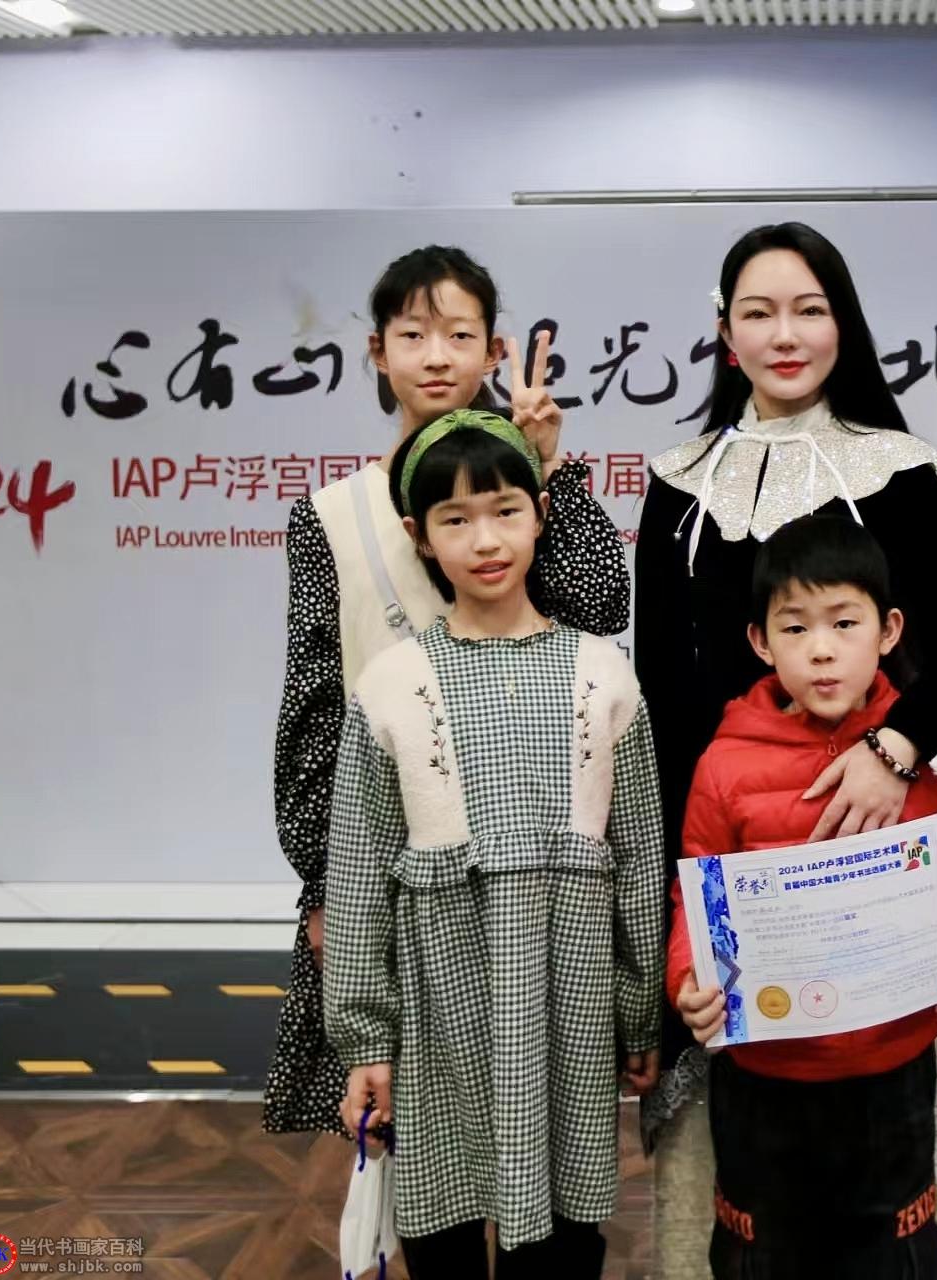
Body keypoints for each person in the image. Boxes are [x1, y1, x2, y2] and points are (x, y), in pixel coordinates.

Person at [325, 409, 663, 1279]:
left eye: (506, 510)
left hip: (570, 1008)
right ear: (419, 535)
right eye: (456, 519)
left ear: (540, 514)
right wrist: (365, 1041)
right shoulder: (392, 683)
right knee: (440, 1235)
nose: (485, 540)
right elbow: (358, 874)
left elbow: (638, 858)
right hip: (441, 1012)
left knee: (564, 1241)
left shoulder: (603, 673)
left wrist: (640, 1011)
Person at [668, 515, 937, 1279]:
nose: (821, 649)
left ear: (889, 631)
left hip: (893, 1069)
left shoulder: (924, 762)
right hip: (763, 1077)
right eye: (795, 627)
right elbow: (698, 897)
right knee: (761, 1254)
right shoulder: (724, 765)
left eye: (844, 623)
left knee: (894, 1253)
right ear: (760, 642)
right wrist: (690, 980)